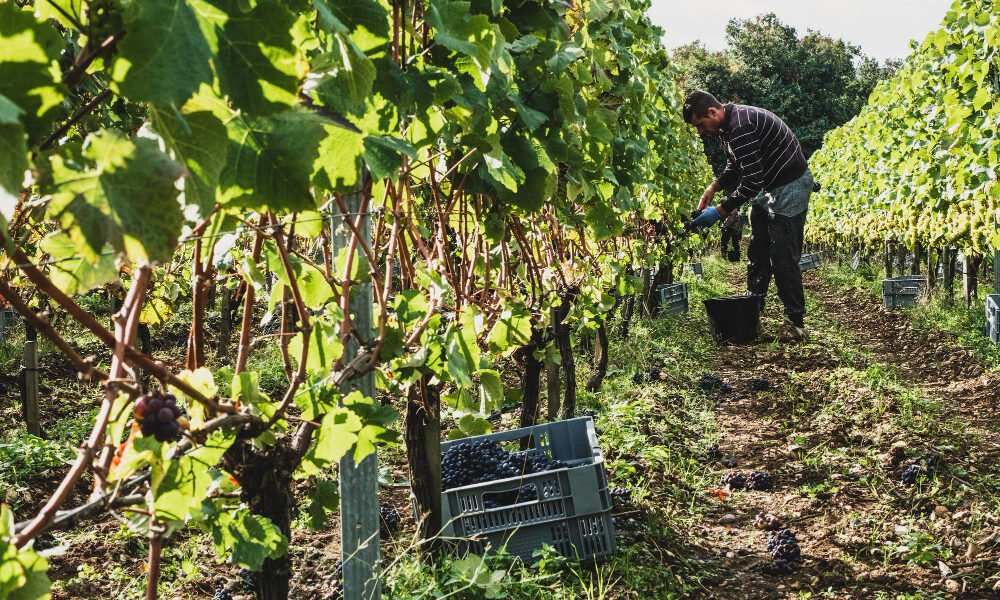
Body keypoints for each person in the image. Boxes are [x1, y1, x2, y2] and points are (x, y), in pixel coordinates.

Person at [683, 91, 815, 341]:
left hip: (790, 185)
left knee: (782, 255)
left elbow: (752, 180)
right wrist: (714, 187)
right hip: (771, 187)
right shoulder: (727, 128)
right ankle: (750, 314)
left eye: (700, 125)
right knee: (757, 251)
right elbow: (737, 166)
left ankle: (796, 325)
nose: (700, 132)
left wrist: (720, 211)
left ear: (712, 112)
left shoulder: (740, 126)